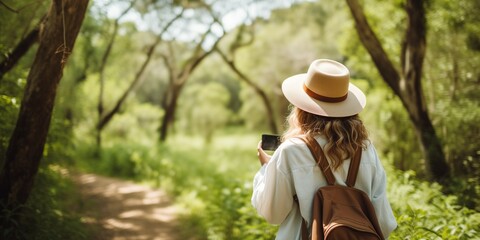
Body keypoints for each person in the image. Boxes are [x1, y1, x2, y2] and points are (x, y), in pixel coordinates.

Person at [251, 59, 397, 239]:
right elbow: (383, 222)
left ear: (302, 108)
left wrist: (267, 169)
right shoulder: (366, 150)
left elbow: (273, 213)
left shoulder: (291, 151)